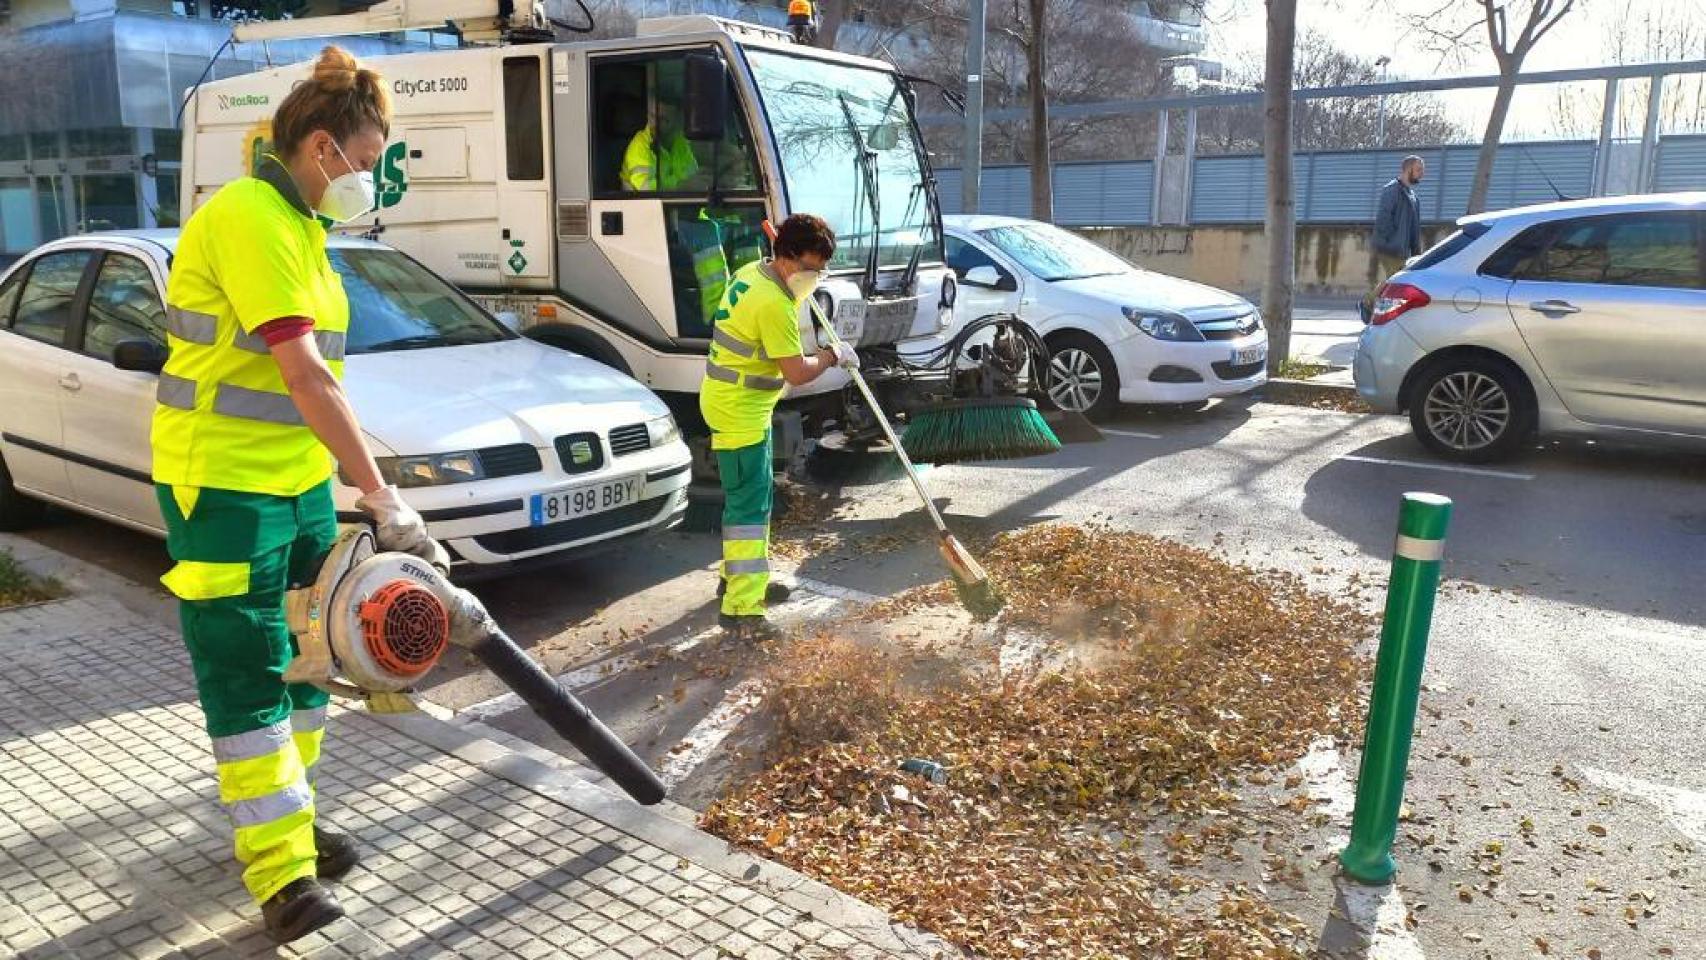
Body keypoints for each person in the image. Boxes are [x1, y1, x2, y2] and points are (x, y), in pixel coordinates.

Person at [151, 46, 447, 944]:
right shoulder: (251, 216)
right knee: (247, 670)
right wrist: (382, 494)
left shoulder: (305, 227)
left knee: (313, 657)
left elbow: (322, 387)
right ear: (322, 147)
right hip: (224, 485)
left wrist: (349, 481)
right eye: (367, 160)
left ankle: (295, 822)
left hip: (294, 481)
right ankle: (279, 872)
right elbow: (305, 373)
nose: (371, 179)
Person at [700, 214, 856, 642]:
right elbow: (798, 373)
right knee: (748, 509)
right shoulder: (772, 303)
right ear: (787, 257)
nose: (814, 278)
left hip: (737, 402)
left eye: (820, 271)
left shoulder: (754, 272)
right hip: (739, 411)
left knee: (754, 498)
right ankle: (742, 609)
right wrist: (832, 356)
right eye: (810, 269)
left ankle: (739, 579)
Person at [1363, 154, 1426, 322]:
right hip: (1389, 247)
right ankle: (1371, 306)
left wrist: (1416, 252)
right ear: (1408, 169)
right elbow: (1383, 219)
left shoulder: (1413, 197)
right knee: (1395, 282)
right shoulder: (1392, 190)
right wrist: (1390, 240)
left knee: (1395, 281)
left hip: (1403, 250)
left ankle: (1373, 306)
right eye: (1419, 170)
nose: (1422, 174)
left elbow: (1414, 227)